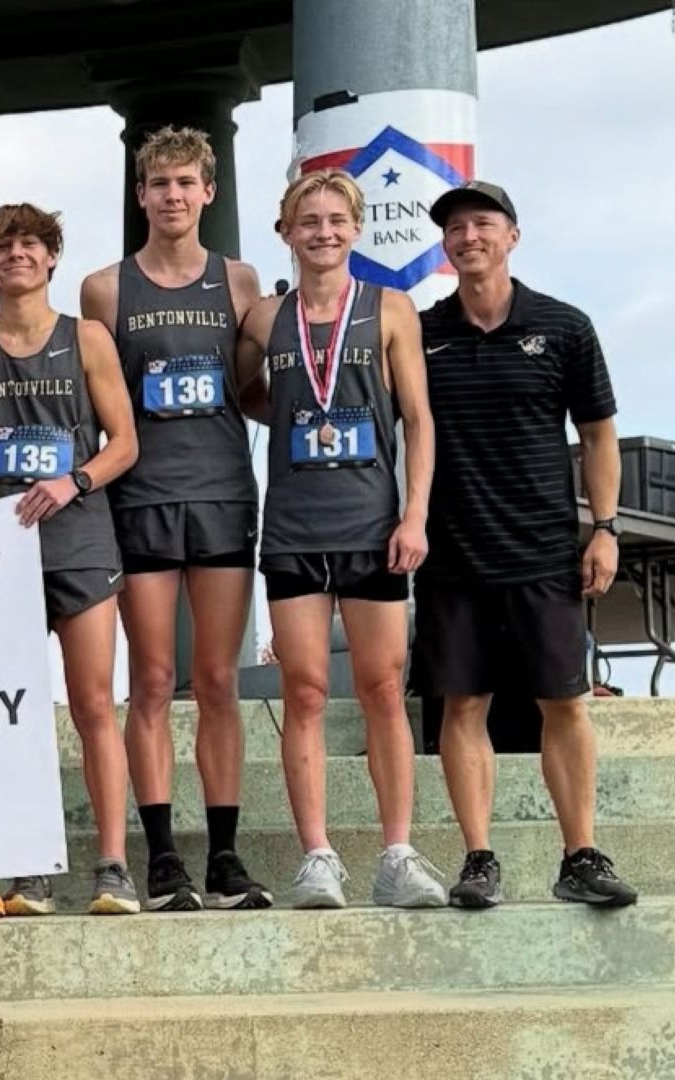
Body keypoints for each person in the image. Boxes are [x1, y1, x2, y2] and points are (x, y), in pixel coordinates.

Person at [414, 180, 636, 909]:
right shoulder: (420, 332)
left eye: (483, 223)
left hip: (545, 550)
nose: (467, 236)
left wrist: (604, 528)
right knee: (463, 706)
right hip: (451, 553)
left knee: (564, 702)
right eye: (454, 228)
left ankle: (581, 856)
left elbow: (598, 434)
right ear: (444, 246)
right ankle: (479, 858)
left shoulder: (564, 326)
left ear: (512, 235)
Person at [235, 171, 445, 909]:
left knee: (385, 688)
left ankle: (396, 851)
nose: (322, 232)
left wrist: (413, 514)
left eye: (335, 220)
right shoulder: (265, 318)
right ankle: (318, 855)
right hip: (294, 525)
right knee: (305, 690)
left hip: (371, 524)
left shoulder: (390, 309)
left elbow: (417, 419)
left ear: (356, 228)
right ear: (286, 232)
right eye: (307, 221)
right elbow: (247, 394)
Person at [80, 126, 271, 912]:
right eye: (158, 185)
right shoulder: (103, 288)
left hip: (224, 490)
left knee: (220, 679)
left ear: (208, 192)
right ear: (140, 196)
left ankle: (224, 857)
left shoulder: (240, 280)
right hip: (142, 498)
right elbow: (96, 398)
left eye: (186, 183)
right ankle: (161, 860)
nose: (172, 197)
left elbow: (256, 387)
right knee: (153, 679)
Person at [0, 203, 141, 915]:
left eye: (30, 245)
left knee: (95, 704)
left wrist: (75, 479)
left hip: (80, 537)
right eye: (2, 248)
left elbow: (125, 442)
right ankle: (29, 866)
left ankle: (112, 865)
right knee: (15, 712)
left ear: (52, 257)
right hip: (3, 546)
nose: (17, 256)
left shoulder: (87, 337)